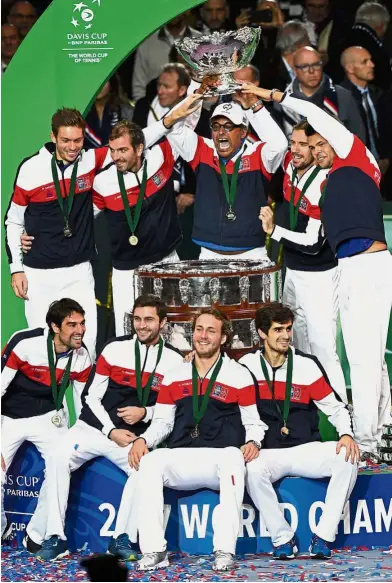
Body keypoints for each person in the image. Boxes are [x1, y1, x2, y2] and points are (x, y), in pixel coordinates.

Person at [241, 81, 392, 464]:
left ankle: (368, 443)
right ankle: (385, 429)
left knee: (361, 357)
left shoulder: (353, 155)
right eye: (316, 146)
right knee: (368, 355)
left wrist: (270, 95)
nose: (319, 152)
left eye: (322, 144)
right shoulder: (333, 177)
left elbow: (316, 115)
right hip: (351, 265)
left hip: (366, 264)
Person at [25, 295, 184, 561]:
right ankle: (55, 537)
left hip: (134, 438)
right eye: (137, 319)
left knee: (144, 470)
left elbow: (171, 412)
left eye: (149, 320)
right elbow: (90, 398)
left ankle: (122, 538)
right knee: (57, 457)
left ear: (163, 323)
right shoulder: (114, 348)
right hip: (94, 429)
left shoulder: (175, 361)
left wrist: (146, 413)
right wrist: (110, 431)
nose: (141, 326)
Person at [130, 308, 266, 571]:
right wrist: (143, 440)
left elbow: (254, 423)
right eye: (199, 329)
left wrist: (254, 442)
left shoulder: (238, 374)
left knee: (233, 458)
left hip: (220, 457)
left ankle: (224, 549)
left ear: (223, 338)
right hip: (183, 455)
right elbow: (163, 422)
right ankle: (155, 550)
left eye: (211, 331)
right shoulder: (174, 374)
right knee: (151, 462)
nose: (203, 336)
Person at [240, 303, 359, 560]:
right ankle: (283, 538)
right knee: (250, 469)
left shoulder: (306, 365)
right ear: (262, 333)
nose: (286, 335)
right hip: (269, 451)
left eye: (289, 329)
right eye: (278, 330)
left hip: (307, 449)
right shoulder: (246, 365)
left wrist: (346, 434)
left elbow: (336, 408)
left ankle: (324, 536)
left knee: (347, 458)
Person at [91, 94, 202, 335]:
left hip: (166, 261)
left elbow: (188, 121)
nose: (116, 157)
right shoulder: (103, 182)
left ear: (139, 148)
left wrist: (198, 86)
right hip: (126, 271)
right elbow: (82, 217)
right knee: (127, 333)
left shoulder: (161, 157)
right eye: (112, 151)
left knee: (176, 331)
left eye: (122, 150)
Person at [4, 108, 111, 358]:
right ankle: (52, 398)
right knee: (43, 349)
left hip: (78, 271)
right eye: (65, 140)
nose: (73, 147)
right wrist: (16, 269)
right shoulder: (31, 168)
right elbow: (13, 221)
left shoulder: (89, 160)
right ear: (53, 137)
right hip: (39, 275)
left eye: (77, 140)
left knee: (87, 345)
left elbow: (130, 143)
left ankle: (85, 398)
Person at [256, 119, 346, 402]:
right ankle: (305, 416)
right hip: (292, 271)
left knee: (323, 350)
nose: (294, 150)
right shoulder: (289, 165)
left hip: (319, 275)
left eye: (303, 145)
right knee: (297, 348)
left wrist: (274, 231)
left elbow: (314, 243)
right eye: (292, 142)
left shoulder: (324, 182)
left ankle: (341, 422)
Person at [1, 299, 92, 542]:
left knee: (61, 464)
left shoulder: (82, 356)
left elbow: (84, 404)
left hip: (49, 418)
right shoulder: (24, 342)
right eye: (72, 325)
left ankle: (37, 535)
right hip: (9, 417)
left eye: (82, 324)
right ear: (54, 327)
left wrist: (82, 437)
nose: (80, 330)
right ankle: (1, 527)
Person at [165, 90, 288, 260]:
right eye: (216, 127)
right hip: (208, 256)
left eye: (228, 126)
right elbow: (172, 126)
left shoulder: (259, 155)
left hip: (252, 256)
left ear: (243, 132)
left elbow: (280, 144)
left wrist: (254, 107)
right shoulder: (202, 150)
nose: (221, 132)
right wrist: (197, 91)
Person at [275, 46, 366, 141]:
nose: (312, 71)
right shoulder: (282, 101)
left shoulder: (342, 96)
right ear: (295, 70)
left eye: (316, 65)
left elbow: (359, 139)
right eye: (305, 66)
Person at [340, 46, 389, 176]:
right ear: (350, 68)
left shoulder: (378, 94)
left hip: (384, 166)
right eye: (364, 62)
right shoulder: (340, 97)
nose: (372, 65)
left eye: (370, 60)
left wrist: (386, 158)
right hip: (356, 169)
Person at [132, 13, 200, 101]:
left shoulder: (202, 40)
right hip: (153, 109)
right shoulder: (146, 42)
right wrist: (146, 111)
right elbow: (138, 88)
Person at [341, 2, 392, 91]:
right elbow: (384, 80)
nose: (371, 65)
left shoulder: (340, 39)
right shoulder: (375, 48)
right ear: (381, 25)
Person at [84, 73, 134, 150]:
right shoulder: (82, 110)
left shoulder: (125, 111)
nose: (98, 86)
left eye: (103, 82)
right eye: (94, 81)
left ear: (112, 84)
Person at [133, 63, 191, 129]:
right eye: (159, 84)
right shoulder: (142, 106)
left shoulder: (194, 118)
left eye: (167, 87)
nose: (160, 91)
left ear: (182, 90)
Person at [264, 20, 311, 91]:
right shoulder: (270, 73)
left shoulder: (308, 69)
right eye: (308, 41)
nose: (310, 45)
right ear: (298, 45)